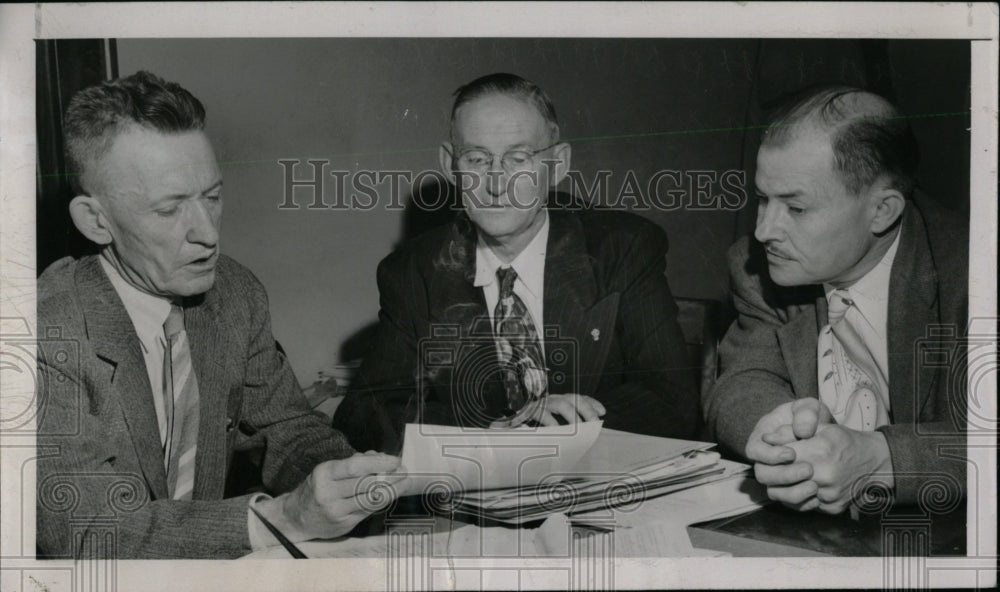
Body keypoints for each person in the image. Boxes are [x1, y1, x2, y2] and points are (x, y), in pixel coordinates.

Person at [36, 71, 406, 559]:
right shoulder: (41, 329)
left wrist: (350, 479)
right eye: (170, 211)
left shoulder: (234, 294)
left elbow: (287, 430)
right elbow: (86, 530)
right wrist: (285, 517)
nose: (208, 233)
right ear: (95, 221)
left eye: (212, 197)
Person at [334, 73, 698, 454]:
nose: (496, 182)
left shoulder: (622, 249)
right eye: (476, 159)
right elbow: (362, 415)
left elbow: (672, 400)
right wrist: (492, 431)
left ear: (557, 164)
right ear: (450, 164)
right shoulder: (414, 272)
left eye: (518, 158)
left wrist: (556, 433)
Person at [704, 86, 968, 515]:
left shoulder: (975, 275)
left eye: (796, 208)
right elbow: (740, 381)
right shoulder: (758, 267)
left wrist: (884, 460)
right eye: (762, 199)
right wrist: (780, 425)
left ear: (882, 211)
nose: (764, 230)